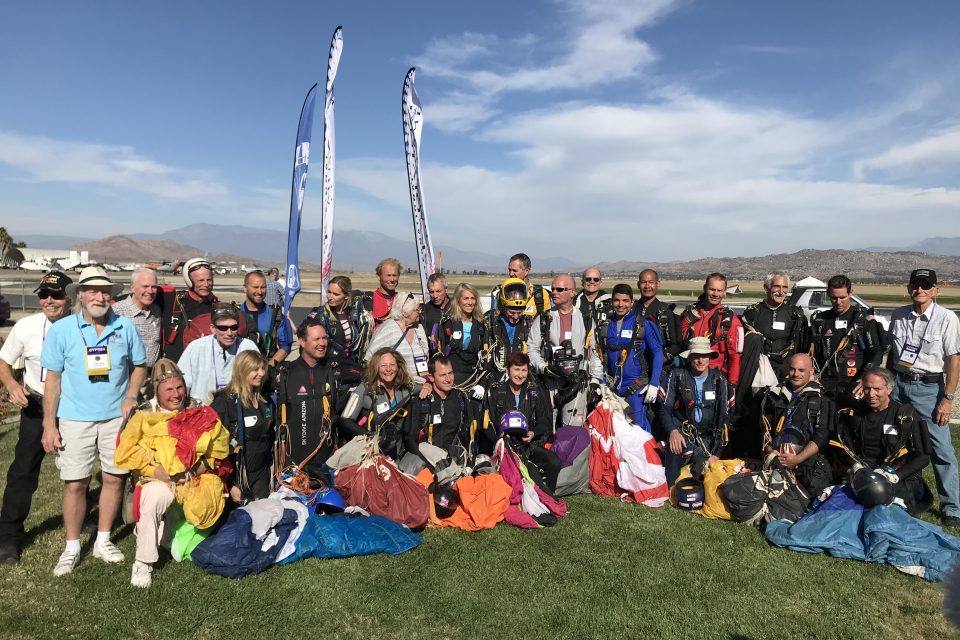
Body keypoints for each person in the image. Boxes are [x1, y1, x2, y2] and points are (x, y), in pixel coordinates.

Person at [40, 266, 147, 576]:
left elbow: (139, 365)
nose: (101, 296)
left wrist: (130, 396)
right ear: (81, 296)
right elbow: (53, 381)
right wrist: (49, 423)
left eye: (106, 291)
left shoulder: (124, 327)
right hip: (74, 419)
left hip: (116, 418)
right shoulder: (63, 330)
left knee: (115, 478)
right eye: (93, 291)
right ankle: (72, 546)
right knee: (76, 483)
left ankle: (102, 539)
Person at [114, 359, 230, 588]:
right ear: (158, 391)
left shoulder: (198, 409)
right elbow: (127, 450)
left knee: (207, 499)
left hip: (193, 476)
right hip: (158, 478)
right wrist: (158, 471)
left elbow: (218, 447)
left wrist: (195, 470)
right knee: (158, 497)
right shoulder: (143, 414)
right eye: (169, 389)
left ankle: (170, 534)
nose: (176, 394)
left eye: (180, 388)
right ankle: (143, 562)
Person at [0, 271, 73, 564]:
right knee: (23, 471)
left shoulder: (83, 327)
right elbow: (4, 361)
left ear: (70, 298)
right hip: (35, 405)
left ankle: (84, 522)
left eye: (56, 295)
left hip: (72, 408)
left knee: (77, 470)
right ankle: (8, 535)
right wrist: (11, 384)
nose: (49, 300)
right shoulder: (26, 326)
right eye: (43, 295)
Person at [886, 268, 960, 526]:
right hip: (897, 385)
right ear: (909, 288)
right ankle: (897, 494)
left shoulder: (947, 318)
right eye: (915, 285)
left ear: (936, 290)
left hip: (928, 389)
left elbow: (953, 360)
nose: (920, 290)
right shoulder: (898, 315)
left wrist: (947, 398)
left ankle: (951, 508)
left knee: (940, 449)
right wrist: (886, 383)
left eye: (926, 285)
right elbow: (891, 355)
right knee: (894, 441)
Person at [835, 367, 932, 516]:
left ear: (889, 389)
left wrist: (894, 475)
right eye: (867, 388)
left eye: (877, 389)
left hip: (896, 476)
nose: (871, 394)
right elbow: (840, 444)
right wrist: (855, 466)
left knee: (884, 511)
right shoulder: (853, 414)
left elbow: (923, 456)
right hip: (862, 474)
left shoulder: (905, 416)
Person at [272, 318, 352, 478]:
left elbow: (371, 372)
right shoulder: (286, 372)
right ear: (301, 341)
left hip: (326, 462)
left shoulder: (334, 369)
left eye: (324, 338)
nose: (322, 343)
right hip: (293, 464)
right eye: (316, 339)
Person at [753, 354, 834, 501]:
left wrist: (796, 459)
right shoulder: (773, 395)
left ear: (811, 371)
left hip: (808, 466)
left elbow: (822, 435)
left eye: (801, 370)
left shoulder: (822, 399)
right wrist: (768, 450)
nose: (796, 374)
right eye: (792, 369)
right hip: (775, 460)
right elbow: (763, 427)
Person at [528, 274, 604, 428]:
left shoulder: (586, 319)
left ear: (572, 293)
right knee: (547, 429)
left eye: (560, 289)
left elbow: (595, 351)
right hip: (550, 382)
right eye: (552, 289)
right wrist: (542, 367)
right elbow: (532, 348)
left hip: (577, 383)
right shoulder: (543, 319)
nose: (554, 292)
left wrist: (595, 379)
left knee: (572, 430)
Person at [659, 337, 735, 487]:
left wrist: (717, 454)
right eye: (696, 356)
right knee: (675, 446)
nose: (700, 360)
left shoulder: (719, 379)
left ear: (709, 358)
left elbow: (725, 418)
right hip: (683, 434)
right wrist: (672, 431)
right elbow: (664, 408)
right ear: (690, 357)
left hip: (710, 439)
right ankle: (672, 489)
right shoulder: (677, 375)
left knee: (712, 477)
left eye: (704, 356)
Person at [482, 352, 562, 490]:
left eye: (524, 370)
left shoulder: (534, 392)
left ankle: (547, 498)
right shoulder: (496, 392)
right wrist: (498, 439)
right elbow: (485, 426)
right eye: (516, 369)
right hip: (504, 449)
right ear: (508, 370)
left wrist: (533, 433)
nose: (520, 375)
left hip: (528, 447)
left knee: (554, 462)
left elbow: (545, 421)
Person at [810, 274, 885, 406]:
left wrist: (865, 377)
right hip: (826, 383)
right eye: (834, 298)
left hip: (855, 384)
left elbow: (876, 352)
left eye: (842, 297)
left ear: (851, 293)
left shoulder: (862, 319)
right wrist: (811, 374)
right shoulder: (820, 320)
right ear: (828, 294)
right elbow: (811, 353)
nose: (838, 302)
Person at [210, 350, 275, 503]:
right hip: (237, 479)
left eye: (263, 368)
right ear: (242, 371)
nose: (261, 373)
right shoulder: (225, 402)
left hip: (262, 476)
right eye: (255, 369)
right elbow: (212, 449)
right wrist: (229, 484)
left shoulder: (264, 400)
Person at [598, 284, 663, 431]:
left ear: (632, 303)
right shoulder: (605, 326)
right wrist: (601, 382)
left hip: (635, 387)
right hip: (611, 388)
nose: (621, 304)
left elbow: (657, 352)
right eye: (617, 300)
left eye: (625, 300)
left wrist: (654, 383)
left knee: (639, 429)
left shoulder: (642, 325)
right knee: (614, 430)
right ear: (612, 302)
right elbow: (598, 355)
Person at [339, 348, 421, 460]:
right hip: (368, 452)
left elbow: (423, 387)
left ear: (398, 367)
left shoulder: (405, 388)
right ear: (376, 368)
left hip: (395, 453)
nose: (388, 369)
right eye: (383, 366)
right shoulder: (364, 389)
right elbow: (345, 420)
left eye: (392, 365)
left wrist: (428, 386)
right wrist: (371, 437)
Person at [177, 303, 258, 404]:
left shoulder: (248, 347)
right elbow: (182, 383)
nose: (229, 333)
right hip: (203, 410)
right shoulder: (196, 347)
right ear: (213, 328)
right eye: (223, 328)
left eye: (234, 327)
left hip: (238, 409)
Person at [681, 273, 744, 386]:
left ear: (725, 292)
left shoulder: (730, 320)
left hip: (715, 377)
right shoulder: (689, 314)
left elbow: (735, 356)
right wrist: (686, 321)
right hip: (688, 374)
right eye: (712, 289)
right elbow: (677, 338)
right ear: (705, 289)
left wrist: (732, 385)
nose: (715, 294)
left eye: (719, 290)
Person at [408, 356, 478, 459]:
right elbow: (410, 439)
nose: (448, 379)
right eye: (442, 375)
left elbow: (470, 438)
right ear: (431, 377)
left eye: (450, 373)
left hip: (455, 460)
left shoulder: (461, 399)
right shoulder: (422, 401)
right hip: (427, 460)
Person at [741, 273, 810, 376]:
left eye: (785, 287)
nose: (781, 292)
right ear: (766, 288)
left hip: (786, 371)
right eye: (777, 286)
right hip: (757, 369)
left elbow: (802, 348)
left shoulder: (795, 315)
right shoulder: (752, 313)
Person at [365, 292, 432, 394]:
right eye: (416, 309)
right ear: (406, 311)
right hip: (396, 388)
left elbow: (426, 358)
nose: (419, 312)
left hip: (421, 386)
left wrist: (427, 382)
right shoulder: (389, 328)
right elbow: (370, 358)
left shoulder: (419, 328)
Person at [304, 275, 372, 368]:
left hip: (350, 368)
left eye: (336, 294)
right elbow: (305, 341)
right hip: (324, 368)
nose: (330, 297)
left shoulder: (354, 315)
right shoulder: (319, 315)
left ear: (346, 296)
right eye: (329, 292)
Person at [481, 278, 536, 389]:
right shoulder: (490, 321)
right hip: (494, 380)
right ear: (503, 306)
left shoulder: (529, 323)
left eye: (519, 312)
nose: (515, 317)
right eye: (511, 312)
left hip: (520, 380)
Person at [436, 283, 488, 389]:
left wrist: (482, 384)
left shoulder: (481, 325)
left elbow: (485, 356)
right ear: (458, 300)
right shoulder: (448, 323)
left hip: (474, 378)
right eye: (466, 298)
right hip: (452, 379)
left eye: (472, 298)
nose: (470, 302)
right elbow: (439, 354)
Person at [112, 267, 162, 371]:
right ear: (133, 288)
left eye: (154, 287)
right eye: (145, 286)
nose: (150, 291)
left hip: (151, 378)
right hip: (127, 377)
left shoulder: (157, 311)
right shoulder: (116, 312)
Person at [634, 269, 683, 372]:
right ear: (638, 285)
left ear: (658, 284)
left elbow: (676, 345)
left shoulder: (666, 312)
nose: (647, 286)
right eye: (643, 282)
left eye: (651, 282)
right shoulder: (631, 310)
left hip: (660, 369)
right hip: (633, 368)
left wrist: (658, 360)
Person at [238, 270, 290, 366]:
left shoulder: (275, 315)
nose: (260, 291)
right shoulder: (235, 315)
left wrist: (267, 369)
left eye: (263, 287)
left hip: (267, 370)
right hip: (241, 371)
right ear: (245, 288)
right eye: (255, 287)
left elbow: (285, 346)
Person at [489, 253, 551, 318]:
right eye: (509, 270)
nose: (511, 274)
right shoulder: (501, 293)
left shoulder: (540, 295)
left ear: (526, 271)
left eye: (514, 270)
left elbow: (545, 321)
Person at [365, 258, 401, 330]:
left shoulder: (403, 299)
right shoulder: (369, 300)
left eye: (394, 275)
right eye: (388, 275)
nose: (392, 280)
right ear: (378, 276)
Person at [421, 272, 451, 353]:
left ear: (446, 290)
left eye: (438, 291)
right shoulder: (424, 311)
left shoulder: (456, 308)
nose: (435, 296)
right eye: (431, 292)